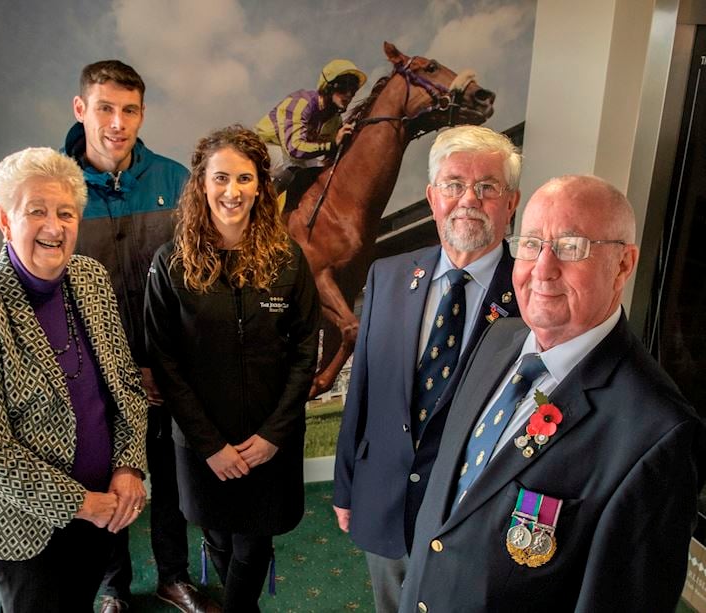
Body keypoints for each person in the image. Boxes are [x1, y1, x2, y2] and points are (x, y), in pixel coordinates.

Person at [399, 175, 706, 613]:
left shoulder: (656, 433)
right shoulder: (497, 338)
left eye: (571, 246)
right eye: (530, 244)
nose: (542, 269)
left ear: (623, 264)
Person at [0, 147, 147, 612]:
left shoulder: (91, 278)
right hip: (19, 526)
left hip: (100, 507)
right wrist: (83, 504)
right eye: (36, 211)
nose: (54, 227)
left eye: (65, 213)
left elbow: (125, 385)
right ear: (4, 219)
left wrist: (129, 467)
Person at [333, 125, 522, 612]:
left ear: (511, 202)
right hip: (386, 499)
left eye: (487, 187)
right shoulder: (388, 275)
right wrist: (347, 484)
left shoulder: (532, 295)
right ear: (432, 196)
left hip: (472, 516)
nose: (468, 200)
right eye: (454, 184)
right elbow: (364, 391)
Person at [144, 125, 320, 613]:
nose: (232, 192)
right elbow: (165, 362)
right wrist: (210, 446)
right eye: (221, 178)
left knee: (254, 544)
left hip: (270, 441)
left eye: (245, 179)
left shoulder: (287, 260)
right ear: (202, 183)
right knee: (218, 535)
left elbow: (306, 350)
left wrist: (273, 435)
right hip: (202, 443)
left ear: (261, 186)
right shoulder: (171, 265)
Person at [63, 60, 208, 613]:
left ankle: (173, 576)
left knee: (168, 476)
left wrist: (164, 364)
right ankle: (112, 585)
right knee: (105, 478)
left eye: (129, 110)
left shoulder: (175, 181)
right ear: (81, 109)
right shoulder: (61, 185)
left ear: (142, 113)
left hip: (163, 368)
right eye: (105, 108)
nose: (117, 123)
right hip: (90, 374)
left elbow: (194, 282)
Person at [255, 58, 366, 198]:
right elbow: (295, 149)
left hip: (294, 155)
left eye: (353, 90)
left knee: (322, 175)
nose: (349, 94)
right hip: (265, 147)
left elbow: (334, 153)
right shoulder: (300, 103)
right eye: (344, 87)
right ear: (328, 86)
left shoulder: (335, 120)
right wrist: (332, 144)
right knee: (293, 170)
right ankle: (259, 213)